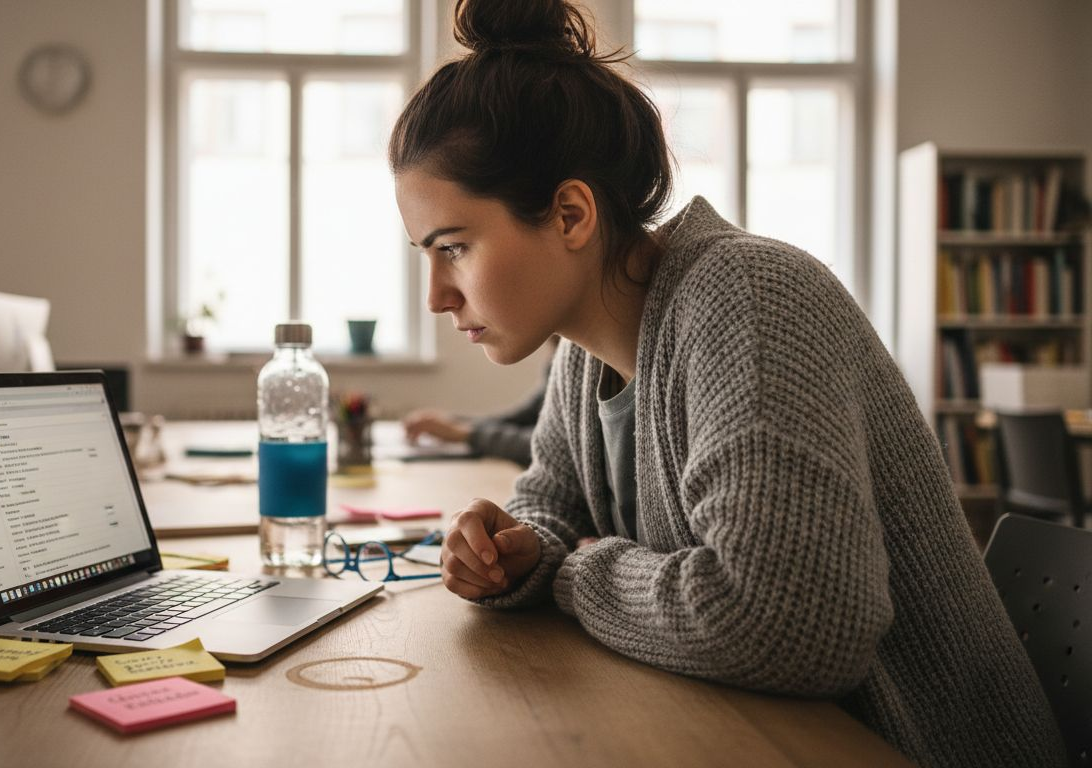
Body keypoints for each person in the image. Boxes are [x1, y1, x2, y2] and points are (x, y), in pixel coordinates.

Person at [387, 2, 1063, 766]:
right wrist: (517, 550)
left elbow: (791, 627)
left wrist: (577, 569)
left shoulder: (748, 298)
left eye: (455, 248)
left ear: (571, 214)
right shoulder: (582, 352)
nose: (436, 296)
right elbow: (550, 501)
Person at [402, 337, 556, 467]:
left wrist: (467, 434)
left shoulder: (574, 357)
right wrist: (454, 421)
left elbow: (553, 447)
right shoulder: (557, 359)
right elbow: (521, 418)